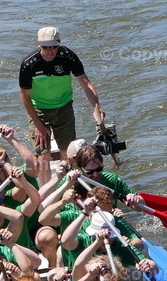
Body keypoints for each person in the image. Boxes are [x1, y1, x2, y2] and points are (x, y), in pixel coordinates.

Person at [18, 26, 106, 173]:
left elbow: (86, 84)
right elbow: (25, 97)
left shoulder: (67, 57)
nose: (50, 51)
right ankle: (45, 192)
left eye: (54, 46)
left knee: (68, 153)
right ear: (38, 44)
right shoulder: (29, 64)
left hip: (64, 107)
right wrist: (39, 125)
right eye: (46, 47)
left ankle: (69, 188)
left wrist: (96, 108)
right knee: (44, 154)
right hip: (38, 109)